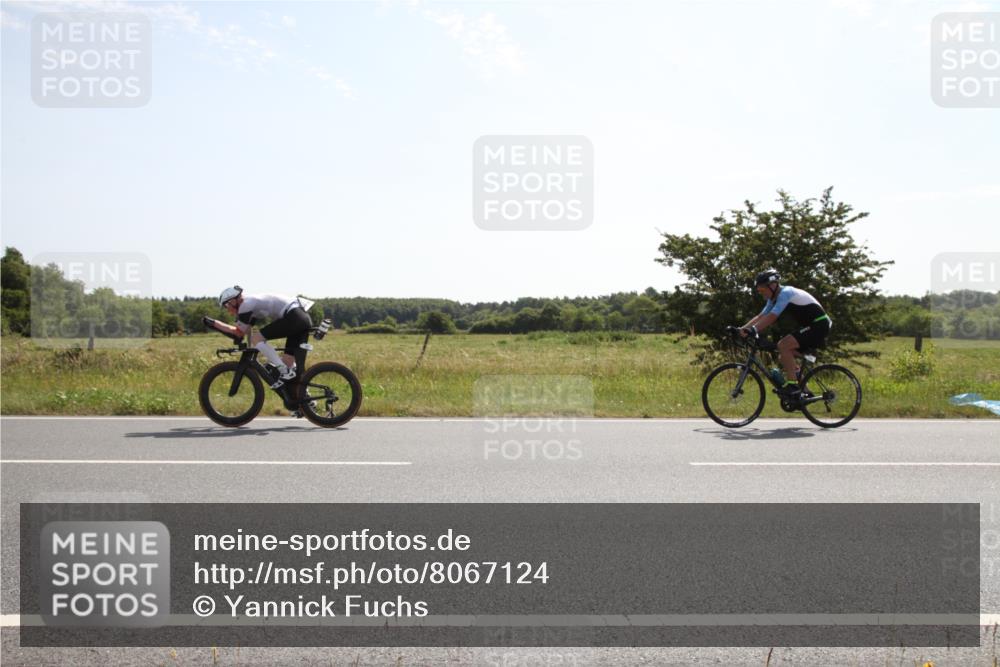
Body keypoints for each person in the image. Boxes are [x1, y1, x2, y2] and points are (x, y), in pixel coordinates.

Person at [739, 269, 832, 397]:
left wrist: (754, 329)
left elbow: (772, 316)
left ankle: (792, 385)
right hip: (812, 326)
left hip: (819, 324)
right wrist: (741, 329)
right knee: (783, 356)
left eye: (762, 290)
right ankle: (804, 390)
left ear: (772, 285)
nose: (761, 293)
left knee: (783, 345)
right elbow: (761, 316)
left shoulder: (786, 293)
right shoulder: (773, 297)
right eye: (759, 291)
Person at [210, 286, 313, 388]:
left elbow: (239, 333)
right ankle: (305, 398)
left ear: (233, 301)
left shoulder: (245, 305)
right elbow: (246, 330)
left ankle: (283, 370)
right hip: (299, 316)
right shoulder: (250, 304)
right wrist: (249, 347)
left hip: (294, 317)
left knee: (257, 338)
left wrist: (214, 324)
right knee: (288, 363)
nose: (228, 310)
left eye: (226, 306)